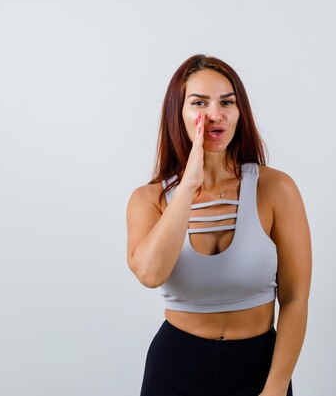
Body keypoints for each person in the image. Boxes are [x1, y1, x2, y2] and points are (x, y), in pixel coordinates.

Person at [126, 54, 312, 396]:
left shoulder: (276, 189)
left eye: (227, 102)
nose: (215, 113)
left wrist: (276, 387)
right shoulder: (148, 199)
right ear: (177, 115)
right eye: (199, 102)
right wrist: (187, 186)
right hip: (175, 369)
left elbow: (296, 298)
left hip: (259, 367)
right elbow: (150, 275)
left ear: (239, 113)